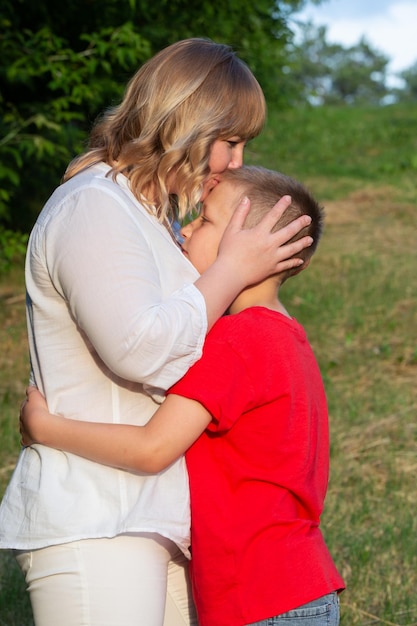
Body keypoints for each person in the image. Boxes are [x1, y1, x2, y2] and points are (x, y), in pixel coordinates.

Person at [0, 39, 313, 626]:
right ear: (189, 125)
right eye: (232, 141)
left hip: (149, 518)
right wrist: (230, 271)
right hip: (94, 518)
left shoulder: (151, 215)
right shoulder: (92, 207)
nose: (238, 162)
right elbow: (140, 347)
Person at [20, 166, 346, 626]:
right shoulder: (286, 337)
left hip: (263, 601)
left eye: (206, 220)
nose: (186, 229)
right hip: (293, 588)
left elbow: (153, 448)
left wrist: (46, 427)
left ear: (252, 247)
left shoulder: (237, 340)